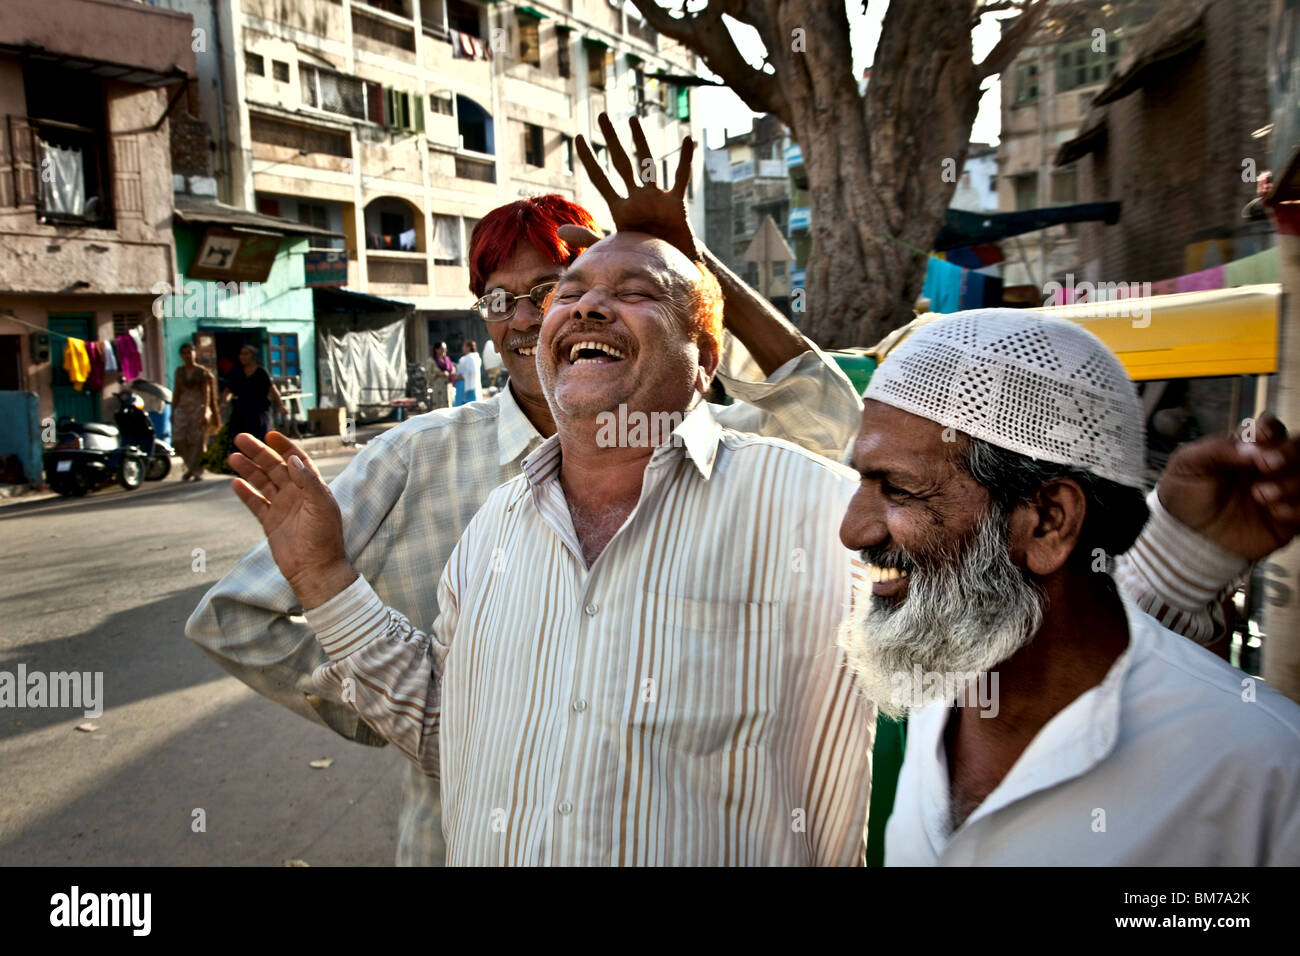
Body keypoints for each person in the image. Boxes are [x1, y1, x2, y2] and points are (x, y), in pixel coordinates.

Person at [186, 116, 866, 866]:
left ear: (698, 355)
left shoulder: (749, 467)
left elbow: (841, 434)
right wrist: (380, 698)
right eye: (497, 300)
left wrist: (687, 257)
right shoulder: (439, 473)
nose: (522, 319)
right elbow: (254, 626)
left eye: (544, 289)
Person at [836, 310, 1300, 865]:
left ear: (1049, 520)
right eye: (863, 480)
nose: (851, 530)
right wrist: (1190, 555)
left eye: (900, 490)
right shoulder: (945, 681)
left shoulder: (1267, 771)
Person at [172, 342, 220, 482]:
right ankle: (191, 467)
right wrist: (172, 411)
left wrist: (205, 410)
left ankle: (195, 470)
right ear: (181, 355)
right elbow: (177, 391)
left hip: (198, 407)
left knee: (197, 441)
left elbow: (206, 392)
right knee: (178, 440)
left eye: (190, 352)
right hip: (183, 408)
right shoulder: (179, 371)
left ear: (195, 353)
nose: (187, 355)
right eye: (184, 352)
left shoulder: (202, 372)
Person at [222, 344, 286, 443]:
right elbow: (228, 390)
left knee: (261, 439)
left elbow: (273, 390)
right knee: (242, 440)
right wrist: (224, 403)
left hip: (259, 411)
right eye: (241, 354)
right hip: (241, 412)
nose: (242, 357)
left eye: (246, 354)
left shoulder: (261, 372)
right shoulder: (236, 372)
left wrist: (281, 405)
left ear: (253, 356)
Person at [424, 343, 454, 410]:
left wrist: (449, 373)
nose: (444, 351)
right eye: (442, 349)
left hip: (447, 388)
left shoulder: (447, 360)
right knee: (438, 409)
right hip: (437, 389)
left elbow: (452, 370)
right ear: (436, 350)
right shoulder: (431, 361)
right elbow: (427, 375)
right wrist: (437, 374)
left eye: (445, 349)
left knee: (448, 408)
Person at [454, 340, 482, 406]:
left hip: (464, 385)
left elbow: (470, 373)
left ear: (468, 347)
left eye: (464, 346)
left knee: (463, 406)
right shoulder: (476, 357)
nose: (462, 348)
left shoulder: (467, 358)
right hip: (474, 385)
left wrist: (459, 377)